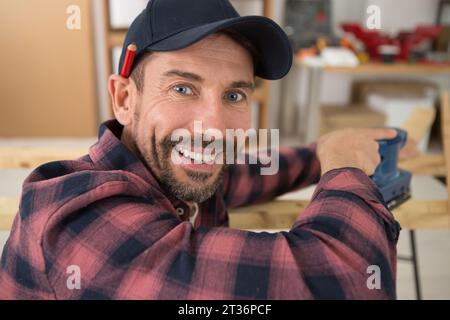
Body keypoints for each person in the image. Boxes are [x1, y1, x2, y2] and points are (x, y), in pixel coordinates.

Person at [0, 0, 400, 299]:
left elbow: (244, 174)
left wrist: (322, 152)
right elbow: (349, 280)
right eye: (182, 88)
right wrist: (345, 167)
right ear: (124, 98)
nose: (213, 127)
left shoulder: (174, 170)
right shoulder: (74, 219)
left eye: (233, 94)